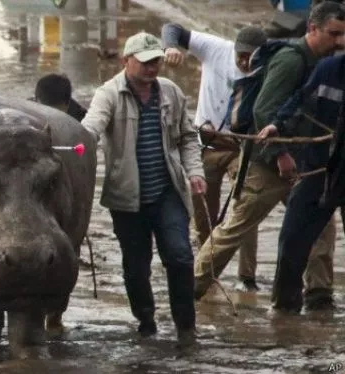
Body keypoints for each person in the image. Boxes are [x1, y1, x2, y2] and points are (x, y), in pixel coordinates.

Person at [193, 1, 345, 311]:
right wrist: (280, 155)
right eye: (333, 34)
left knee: (319, 227)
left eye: (343, 35)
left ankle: (317, 295)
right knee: (237, 227)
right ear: (312, 29)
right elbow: (264, 109)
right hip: (271, 163)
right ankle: (188, 288)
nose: (339, 42)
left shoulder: (322, 62)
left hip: (305, 163)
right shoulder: (291, 60)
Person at [81, 32, 206, 347]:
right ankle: (146, 321)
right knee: (136, 268)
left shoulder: (171, 93)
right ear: (126, 61)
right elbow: (92, 127)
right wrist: (79, 146)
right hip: (127, 198)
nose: (152, 68)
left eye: (156, 62)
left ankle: (186, 327)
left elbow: (188, 137)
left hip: (167, 191)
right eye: (146, 62)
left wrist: (194, 171)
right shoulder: (109, 94)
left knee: (179, 257)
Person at [162, 24, 268, 291]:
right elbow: (173, 28)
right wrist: (171, 47)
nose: (244, 62)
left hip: (242, 146)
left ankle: (247, 277)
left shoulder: (269, 68)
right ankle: (208, 270)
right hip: (206, 142)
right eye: (240, 56)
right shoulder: (215, 48)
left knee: (246, 205)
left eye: (250, 58)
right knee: (202, 210)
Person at [257, 51, 345, 312]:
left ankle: (320, 297)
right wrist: (278, 125)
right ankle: (285, 309)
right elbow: (300, 101)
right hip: (320, 168)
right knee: (292, 238)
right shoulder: (329, 69)